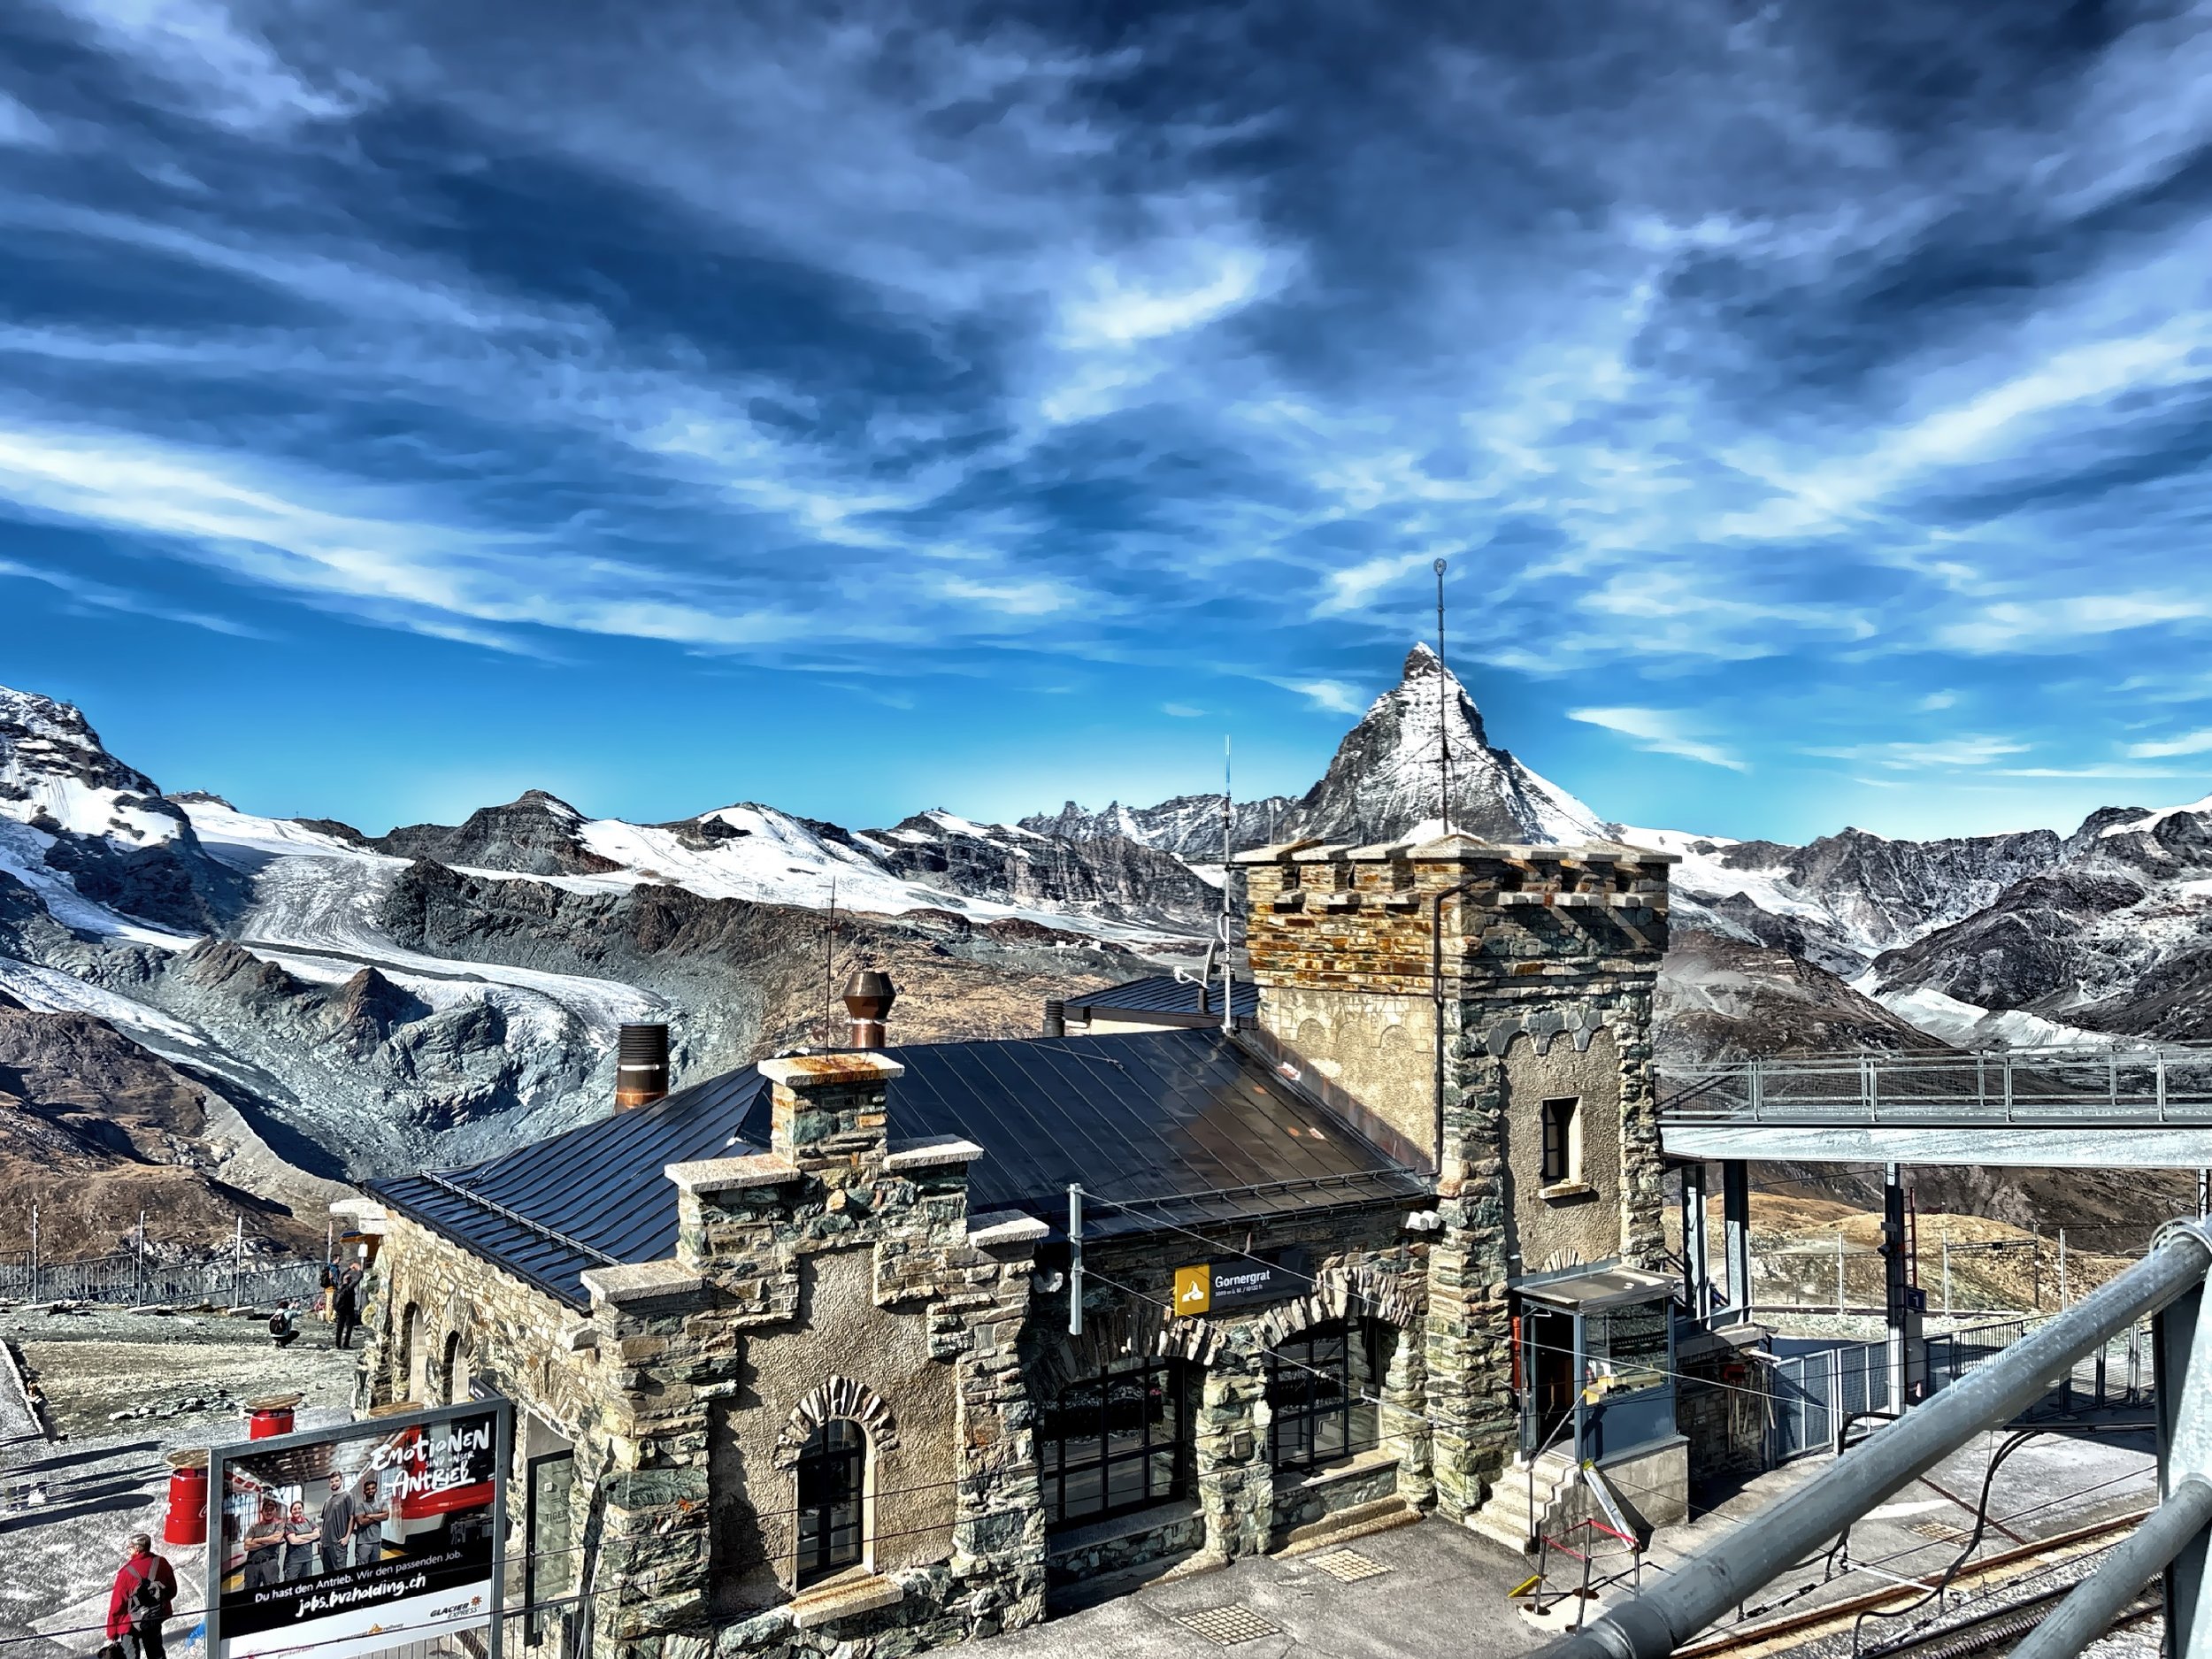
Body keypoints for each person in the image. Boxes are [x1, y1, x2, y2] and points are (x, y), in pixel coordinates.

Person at [106, 1534, 176, 1659]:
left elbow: (117, 1606)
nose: (129, 1551)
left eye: (130, 1548)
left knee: (131, 1655)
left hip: (129, 1623)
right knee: (156, 1653)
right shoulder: (162, 1563)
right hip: (153, 1618)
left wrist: (112, 1632)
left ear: (137, 1549)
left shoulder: (126, 1573)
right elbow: (172, 1591)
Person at [241, 1498, 286, 1589]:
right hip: (251, 1566)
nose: (269, 1512)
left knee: (272, 1593)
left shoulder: (279, 1525)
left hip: (270, 1564)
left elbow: (276, 1540)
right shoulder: (254, 1527)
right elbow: (247, 1546)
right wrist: (269, 1540)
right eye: (266, 1510)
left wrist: (256, 1540)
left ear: (275, 1511)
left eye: (271, 1510)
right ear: (262, 1512)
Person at [318, 1472, 356, 1576]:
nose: (334, 1483)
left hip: (338, 1543)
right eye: (332, 1482)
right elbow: (325, 1522)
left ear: (341, 1481)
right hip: (325, 1545)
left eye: (336, 1481)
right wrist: (321, 1541)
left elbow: (352, 1517)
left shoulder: (347, 1496)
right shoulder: (327, 1501)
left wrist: (347, 1537)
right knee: (327, 1572)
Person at [351, 1474, 389, 1567]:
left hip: (377, 1541)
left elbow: (386, 1516)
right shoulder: (360, 1506)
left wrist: (371, 1516)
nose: (370, 1491)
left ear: (376, 1490)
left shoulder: (382, 1503)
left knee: (376, 1569)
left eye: (373, 1488)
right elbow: (360, 1521)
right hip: (363, 1543)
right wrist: (378, 1517)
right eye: (368, 1489)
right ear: (364, 1492)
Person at [282, 1500, 319, 1581]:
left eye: (299, 1508)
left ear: (302, 1509)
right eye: (294, 1509)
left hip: (308, 1558)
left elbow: (317, 1534)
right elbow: (293, 1541)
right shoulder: (289, 1524)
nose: (297, 1511)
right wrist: (310, 1538)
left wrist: (300, 1537)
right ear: (291, 1511)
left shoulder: (309, 1521)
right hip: (294, 1561)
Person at [330, 1272, 359, 1351]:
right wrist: (358, 1270)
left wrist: (349, 1269)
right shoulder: (349, 1287)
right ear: (349, 1280)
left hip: (340, 1310)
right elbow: (359, 1277)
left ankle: (337, 1344)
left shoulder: (339, 1286)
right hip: (349, 1311)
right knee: (349, 1328)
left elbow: (342, 1274)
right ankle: (346, 1344)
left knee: (340, 1327)